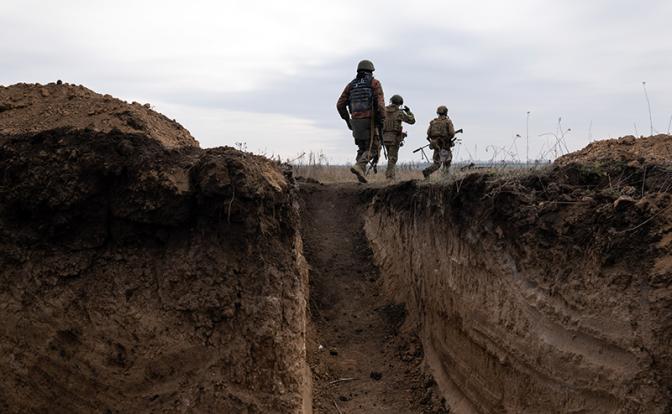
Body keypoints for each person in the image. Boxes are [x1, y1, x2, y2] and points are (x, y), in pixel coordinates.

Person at [336, 59, 385, 183]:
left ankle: (360, 172)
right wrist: (382, 120)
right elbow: (380, 105)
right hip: (370, 121)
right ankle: (359, 166)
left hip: (355, 122)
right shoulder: (374, 83)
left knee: (362, 148)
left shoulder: (351, 85)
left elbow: (340, 104)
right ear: (370, 71)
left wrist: (348, 120)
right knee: (373, 149)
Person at [382, 94, 415, 180]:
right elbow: (412, 121)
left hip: (384, 137)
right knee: (392, 158)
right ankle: (389, 177)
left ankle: (391, 176)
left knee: (390, 157)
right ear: (400, 104)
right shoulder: (399, 113)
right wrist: (408, 112)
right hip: (394, 138)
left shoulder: (383, 110)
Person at [422, 105, 456, 179]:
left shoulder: (433, 122)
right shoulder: (447, 122)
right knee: (447, 162)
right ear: (446, 112)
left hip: (435, 145)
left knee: (437, 163)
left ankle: (427, 171)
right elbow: (452, 133)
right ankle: (445, 178)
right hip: (444, 145)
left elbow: (428, 133)